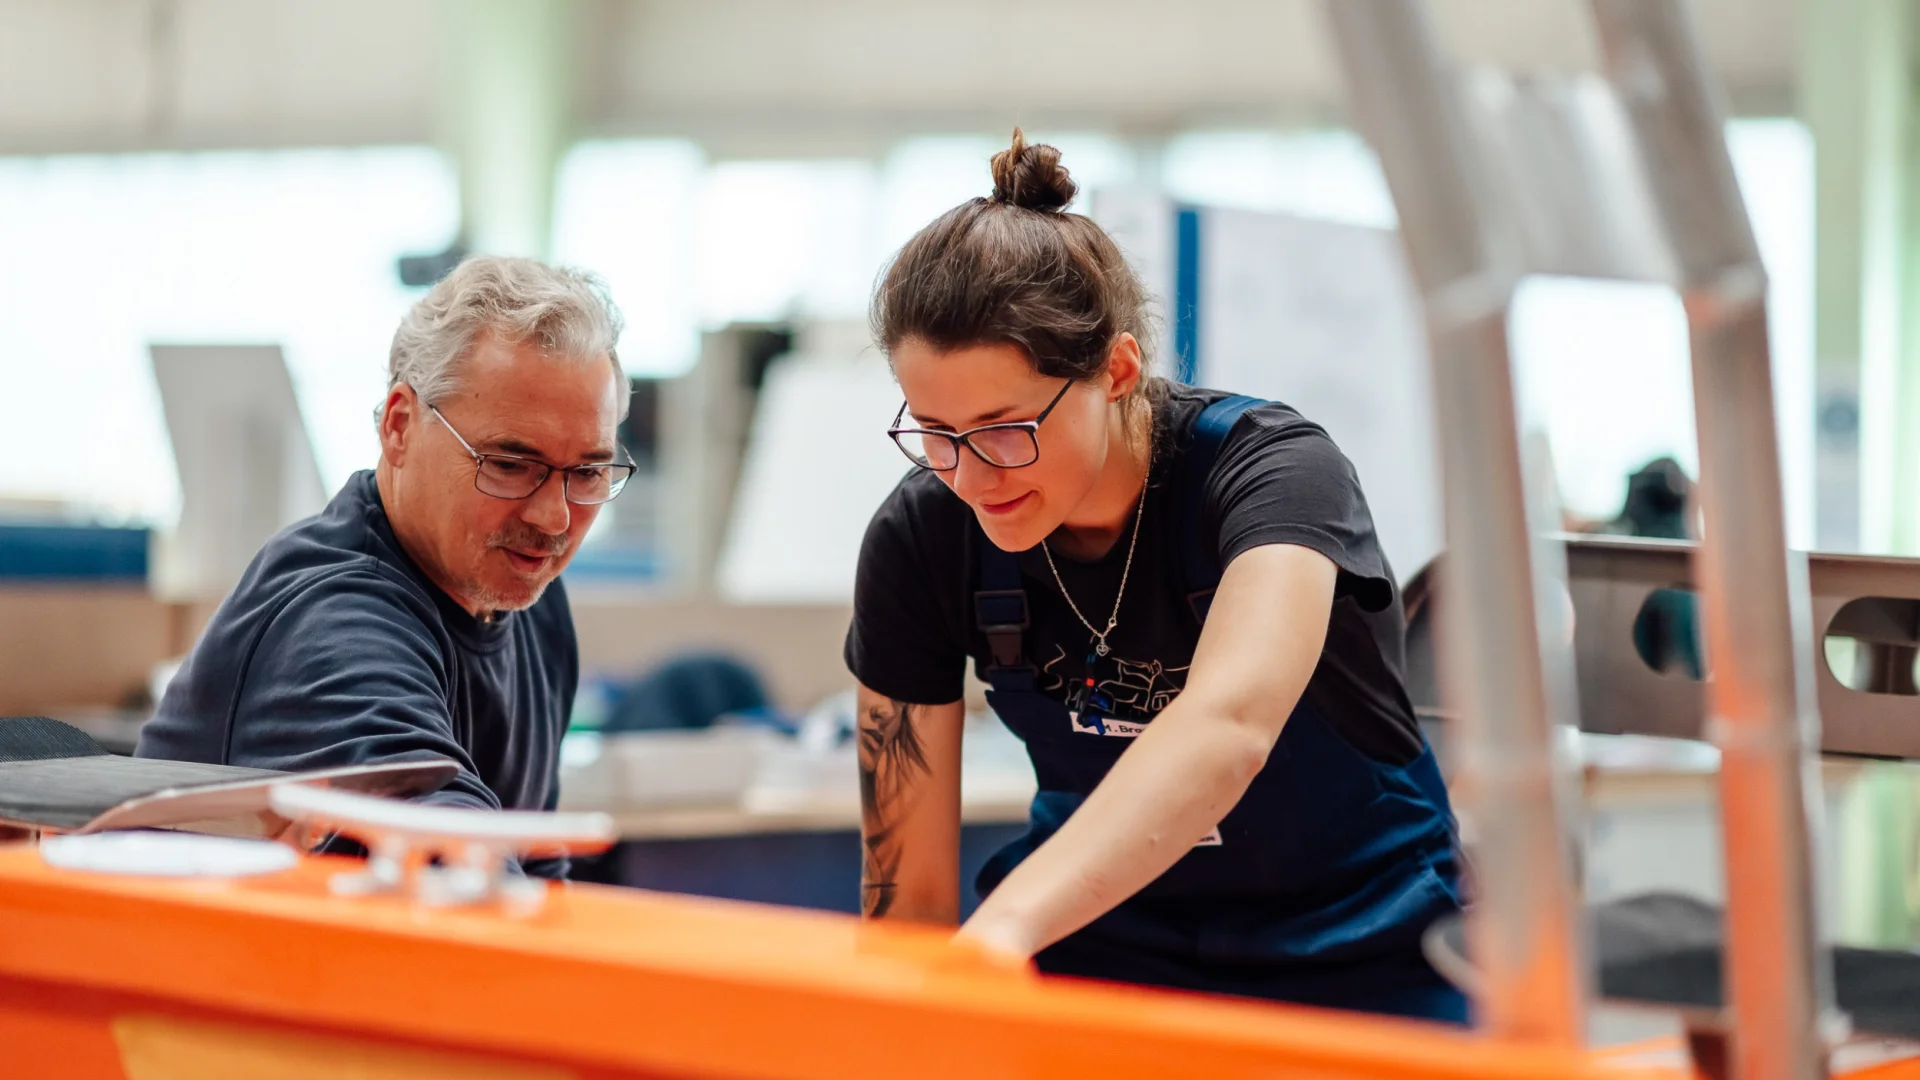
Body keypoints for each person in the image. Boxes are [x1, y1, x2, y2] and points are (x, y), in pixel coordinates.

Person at [846, 131, 1466, 1021]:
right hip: (1102, 943)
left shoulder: (1275, 475)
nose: (971, 477)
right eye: (936, 434)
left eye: (1003, 428)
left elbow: (1229, 725)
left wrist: (1001, 931)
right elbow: (905, 903)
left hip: (1364, 945)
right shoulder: (923, 535)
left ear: (1117, 370)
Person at [138, 255, 634, 876]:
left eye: (587, 472)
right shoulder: (331, 621)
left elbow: (531, 870)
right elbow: (458, 858)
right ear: (400, 425)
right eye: (510, 464)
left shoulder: (528, 600)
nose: (554, 518)